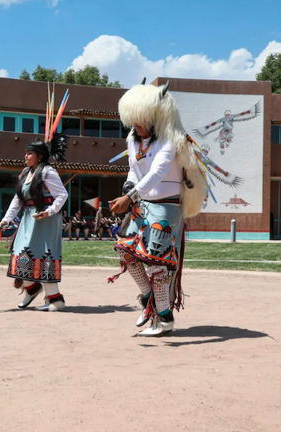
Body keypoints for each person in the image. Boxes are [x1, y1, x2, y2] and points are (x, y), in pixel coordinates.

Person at [108, 81, 207, 337]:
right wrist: (128, 189)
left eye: (141, 119)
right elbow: (134, 169)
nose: (136, 125)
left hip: (166, 208)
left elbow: (157, 172)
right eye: (133, 119)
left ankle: (164, 319)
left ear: (155, 116)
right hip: (142, 205)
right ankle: (147, 298)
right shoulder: (133, 139)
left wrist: (129, 197)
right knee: (125, 251)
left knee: (156, 263)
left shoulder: (171, 140)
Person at [0, 135, 68, 311]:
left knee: (45, 256)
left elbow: (62, 195)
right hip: (28, 218)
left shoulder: (48, 172)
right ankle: (32, 288)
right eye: (26, 153)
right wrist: (5, 220)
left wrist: (49, 211)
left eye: (30, 153)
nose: (26, 156)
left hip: (46, 220)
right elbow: (17, 200)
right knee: (21, 255)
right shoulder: (25, 173)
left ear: (40, 156)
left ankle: (55, 300)